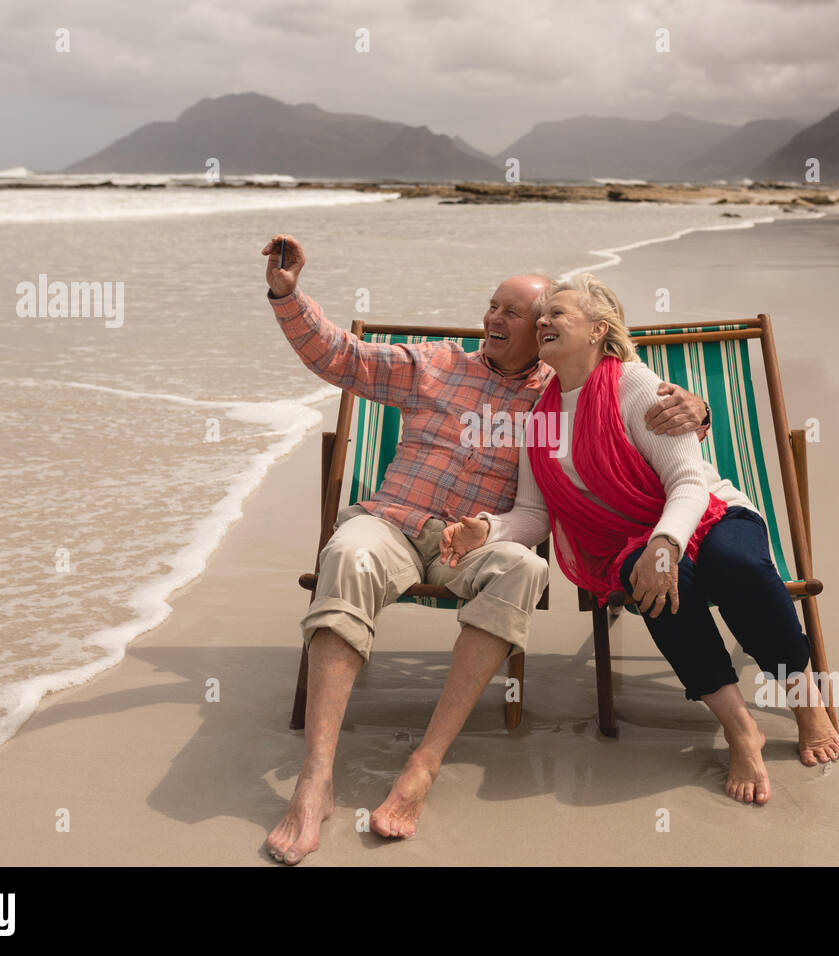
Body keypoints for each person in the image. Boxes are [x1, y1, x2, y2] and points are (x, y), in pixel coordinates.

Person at [261, 238, 713, 862]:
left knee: (525, 570)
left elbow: (633, 414)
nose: (492, 320)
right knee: (348, 552)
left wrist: (701, 409)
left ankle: (424, 763)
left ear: (549, 328)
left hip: (477, 541)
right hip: (395, 522)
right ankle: (314, 780)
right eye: (491, 306)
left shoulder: (559, 395)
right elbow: (340, 357)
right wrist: (288, 295)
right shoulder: (435, 366)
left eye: (514, 312)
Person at [440, 274, 839, 806]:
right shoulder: (538, 415)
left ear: (598, 331)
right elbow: (536, 515)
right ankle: (740, 727)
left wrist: (664, 545)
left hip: (708, 514)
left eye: (557, 314)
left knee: (734, 564)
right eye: (542, 316)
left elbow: (688, 482)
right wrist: (489, 529)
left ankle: (805, 702)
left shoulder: (633, 383)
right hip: (625, 542)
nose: (543, 322)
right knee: (653, 585)